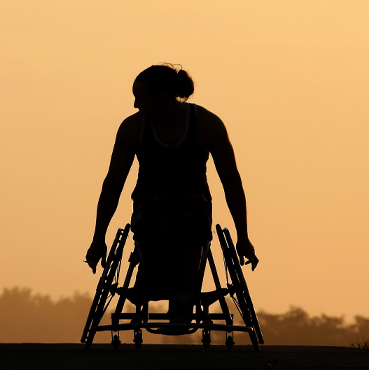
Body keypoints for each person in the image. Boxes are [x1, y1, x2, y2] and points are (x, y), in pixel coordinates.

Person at [85, 65, 258, 310]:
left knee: (188, 225)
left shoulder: (207, 124)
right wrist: (97, 239)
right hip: (151, 209)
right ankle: (157, 281)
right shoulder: (132, 128)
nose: (135, 105)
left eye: (140, 98)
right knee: (154, 221)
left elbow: (231, 182)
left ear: (161, 97)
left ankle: (182, 290)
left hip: (193, 209)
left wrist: (244, 236)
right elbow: (112, 185)